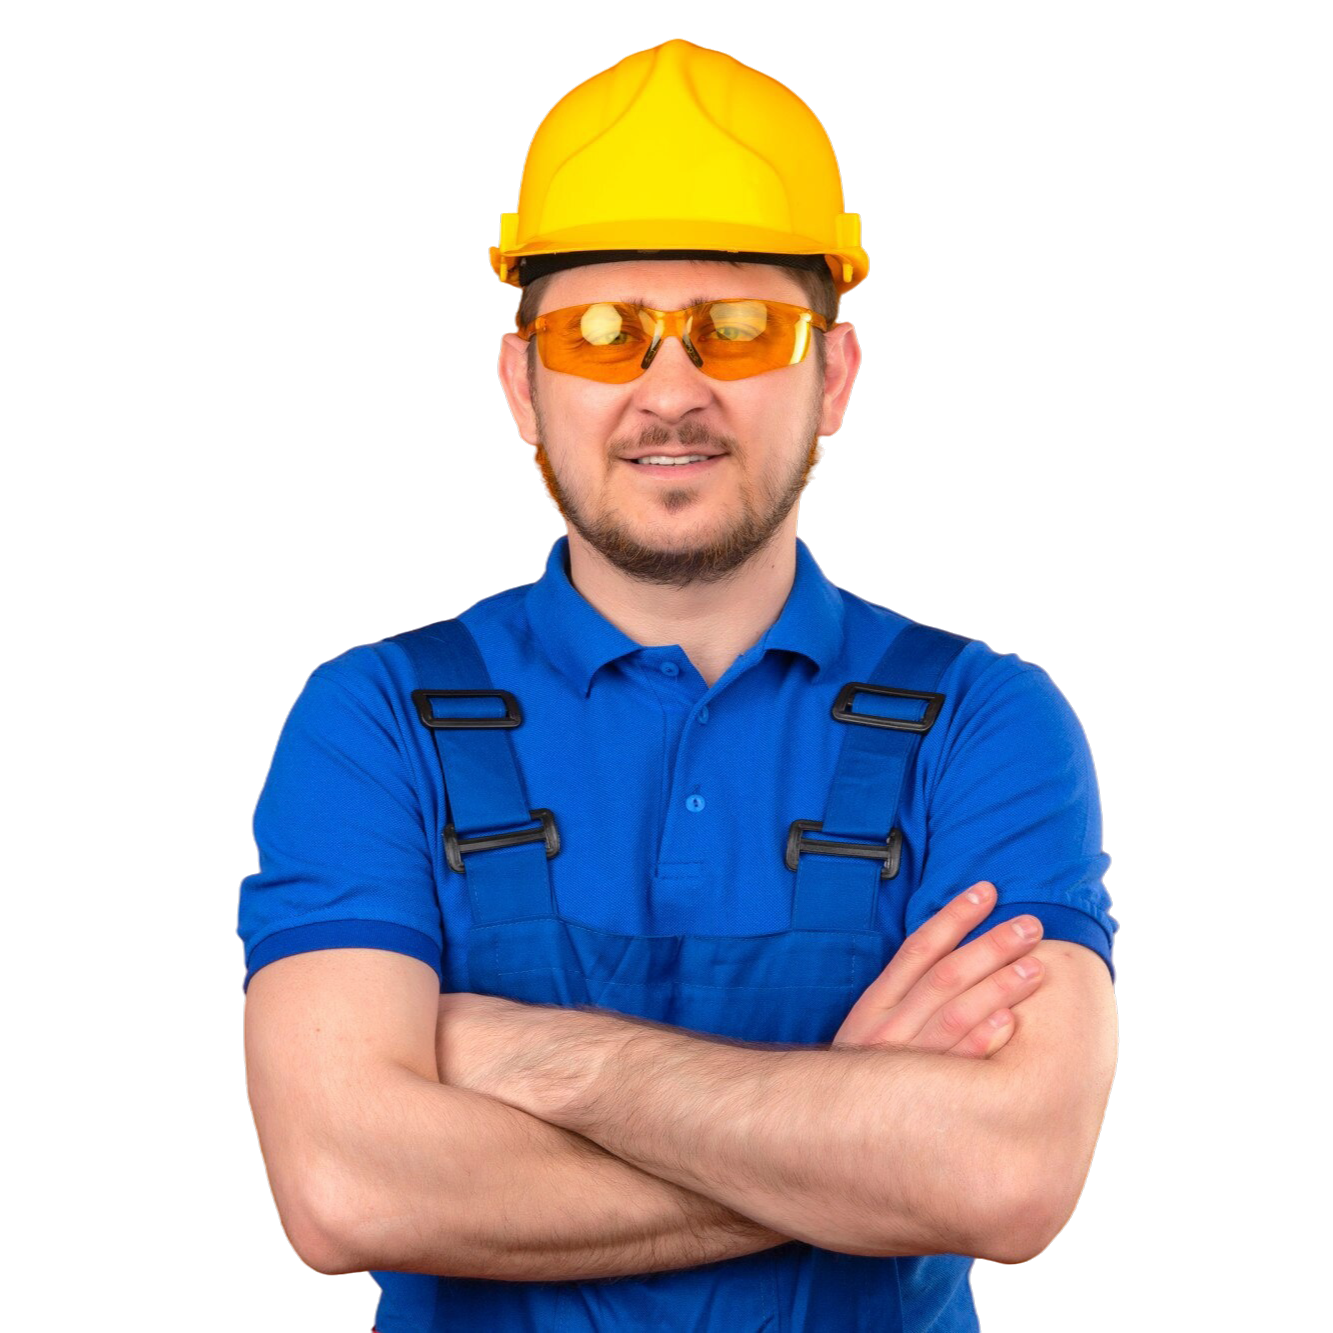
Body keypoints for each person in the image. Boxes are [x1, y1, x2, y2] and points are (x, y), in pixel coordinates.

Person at [239, 37, 1118, 1332]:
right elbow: (345, 1189)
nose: (670, 392)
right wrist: (854, 1129)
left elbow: (1008, 1177)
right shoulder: (373, 720)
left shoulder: (987, 723)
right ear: (520, 385)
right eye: (599, 335)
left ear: (835, 376)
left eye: (739, 330)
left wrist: (535, 1055)